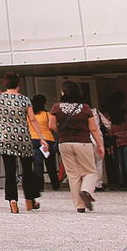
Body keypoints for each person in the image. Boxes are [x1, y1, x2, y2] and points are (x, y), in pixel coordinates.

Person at [0, 73, 48, 213]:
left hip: (5, 138)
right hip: (23, 138)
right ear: (18, 84)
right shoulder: (25, 100)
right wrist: (41, 138)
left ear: (5, 84)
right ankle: (29, 200)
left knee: (10, 171)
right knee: (27, 170)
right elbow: (33, 119)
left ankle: (13, 202)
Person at [50, 81, 105, 213]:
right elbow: (93, 129)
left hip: (65, 143)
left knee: (73, 175)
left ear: (63, 92)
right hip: (83, 142)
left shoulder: (56, 108)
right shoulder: (85, 108)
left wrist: (62, 132)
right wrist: (100, 145)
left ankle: (79, 206)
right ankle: (85, 191)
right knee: (90, 171)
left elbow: (51, 126)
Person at [104, 91, 127, 189]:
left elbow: (108, 129)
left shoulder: (107, 114)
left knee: (118, 162)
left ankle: (121, 181)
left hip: (115, 140)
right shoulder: (123, 113)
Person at [29, 94, 60, 192]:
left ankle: (39, 186)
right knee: (51, 164)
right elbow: (52, 126)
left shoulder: (29, 115)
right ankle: (55, 184)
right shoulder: (47, 114)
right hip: (48, 139)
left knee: (38, 164)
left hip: (33, 139)